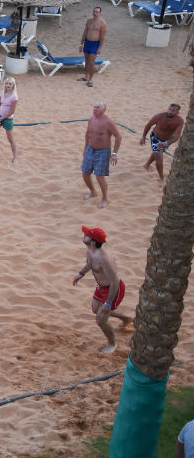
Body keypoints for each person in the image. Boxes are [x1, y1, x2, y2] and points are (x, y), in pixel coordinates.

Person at [71, 226, 134, 354]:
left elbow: (115, 281)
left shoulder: (104, 259)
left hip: (113, 289)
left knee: (100, 319)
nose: (84, 235)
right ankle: (127, 318)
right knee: (95, 309)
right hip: (101, 287)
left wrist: (108, 303)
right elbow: (89, 264)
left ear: (93, 242)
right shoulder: (90, 250)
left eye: (87, 235)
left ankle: (112, 344)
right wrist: (81, 274)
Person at [81, 101, 122, 209]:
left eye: (97, 107)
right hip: (90, 148)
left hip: (103, 151)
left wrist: (114, 153)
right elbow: (87, 134)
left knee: (99, 176)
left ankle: (105, 198)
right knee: (85, 173)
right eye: (94, 107)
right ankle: (93, 192)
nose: (95, 109)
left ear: (103, 110)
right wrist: (85, 148)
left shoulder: (108, 122)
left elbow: (118, 136)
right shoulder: (91, 119)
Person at [139, 103, 184, 182]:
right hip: (155, 138)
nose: (170, 112)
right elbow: (148, 125)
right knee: (159, 159)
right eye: (169, 109)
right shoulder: (159, 116)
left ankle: (146, 165)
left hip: (167, 141)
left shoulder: (179, 121)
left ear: (177, 112)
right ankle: (161, 177)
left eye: (173, 110)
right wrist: (143, 136)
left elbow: (177, 135)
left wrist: (167, 143)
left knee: (157, 153)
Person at [0, 77, 19, 163]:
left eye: (10, 84)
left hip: (7, 119)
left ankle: (15, 157)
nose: (8, 85)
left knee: (10, 138)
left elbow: (12, 111)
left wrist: (2, 118)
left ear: (13, 85)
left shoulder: (14, 96)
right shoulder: (2, 93)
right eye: (7, 83)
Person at [79, 7, 107, 87]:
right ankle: (86, 76)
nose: (95, 13)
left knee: (91, 62)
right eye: (94, 11)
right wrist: (81, 44)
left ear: (100, 13)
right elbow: (85, 33)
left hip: (95, 44)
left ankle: (90, 79)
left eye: (97, 12)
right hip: (87, 43)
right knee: (87, 60)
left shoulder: (102, 23)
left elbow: (102, 37)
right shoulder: (89, 21)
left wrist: (100, 48)